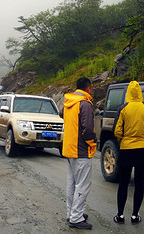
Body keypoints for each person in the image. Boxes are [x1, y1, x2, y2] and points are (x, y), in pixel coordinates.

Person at [112, 81, 144, 225]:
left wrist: (123, 139)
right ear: (140, 93)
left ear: (128, 93)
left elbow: (117, 130)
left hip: (127, 149)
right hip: (143, 149)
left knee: (124, 182)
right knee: (139, 182)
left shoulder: (123, 108)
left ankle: (120, 215)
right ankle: (134, 215)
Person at [61, 77, 96, 230]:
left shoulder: (69, 103)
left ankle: (72, 213)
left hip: (68, 149)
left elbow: (61, 114)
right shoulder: (85, 105)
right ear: (88, 89)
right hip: (81, 151)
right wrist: (93, 142)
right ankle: (76, 218)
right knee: (83, 185)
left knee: (72, 183)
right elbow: (87, 130)